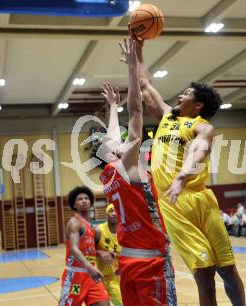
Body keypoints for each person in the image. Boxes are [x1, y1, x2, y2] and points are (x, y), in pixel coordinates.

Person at [133, 33, 245, 306]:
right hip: (174, 203)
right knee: (204, 272)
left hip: (201, 199)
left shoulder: (201, 126)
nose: (181, 94)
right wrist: (138, 50)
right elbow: (145, 85)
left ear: (198, 106)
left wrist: (183, 175)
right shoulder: (166, 117)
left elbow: (199, 149)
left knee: (228, 268)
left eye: (188, 94)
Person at [92, 38, 176, 305]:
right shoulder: (128, 166)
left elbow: (112, 133)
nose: (118, 138)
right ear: (114, 152)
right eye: (116, 142)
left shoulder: (108, 174)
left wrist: (112, 107)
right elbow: (137, 110)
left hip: (127, 258)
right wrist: (131, 68)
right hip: (150, 257)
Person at [59, 186, 110, 306]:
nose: (84, 200)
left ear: (90, 202)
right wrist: (88, 266)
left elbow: (89, 250)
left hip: (92, 276)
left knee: (104, 302)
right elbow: (74, 249)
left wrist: (100, 252)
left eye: (86, 198)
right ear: (74, 205)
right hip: (76, 275)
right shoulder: (74, 222)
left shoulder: (93, 228)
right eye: (80, 199)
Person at [96, 204, 122, 305]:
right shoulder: (98, 230)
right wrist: (100, 252)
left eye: (116, 211)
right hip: (106, 279)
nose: (114, 214)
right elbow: (86, 250)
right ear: (106, 214)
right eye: (111, 211)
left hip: (123, 278)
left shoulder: (125, 231)